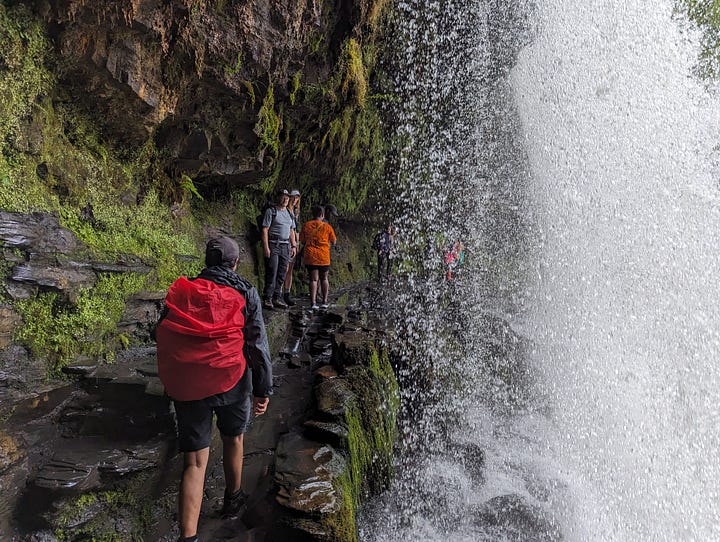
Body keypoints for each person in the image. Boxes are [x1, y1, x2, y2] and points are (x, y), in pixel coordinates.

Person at [156, 236, 273, 542]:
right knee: (234, 438)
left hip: (189, 382)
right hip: (230, 378)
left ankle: (188, 536)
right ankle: (232, 500)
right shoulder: (245, 291)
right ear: (235, 263)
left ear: (207, 262)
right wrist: (263, 389)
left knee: (194, 461)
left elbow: (164, 331)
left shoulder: (183, 289)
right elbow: (257, 345)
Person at [261, 188, 297, 309]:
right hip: (273, 244)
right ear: (278, 197)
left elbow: (292, 230)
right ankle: (268, 298)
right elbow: (265, 229)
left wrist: (294, 245)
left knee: (282, 272)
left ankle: (277, 297)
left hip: (285, 245)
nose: (286, 199)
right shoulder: (271, 211)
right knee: (272, 271)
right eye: (283, 196)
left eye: (287, 197)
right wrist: (266, 247)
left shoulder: (289, 213)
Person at [299, 205, 336, 310]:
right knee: (324, 278)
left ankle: (313, 303)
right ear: (323, 215)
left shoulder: (306, 225)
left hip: (311, 256)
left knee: (313, 280)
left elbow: (302, 240)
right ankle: (324, 302)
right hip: (324, 256)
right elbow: (334, 240)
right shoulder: (327, 227)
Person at [281, 189, 301, 306]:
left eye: (297, 198)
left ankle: (287, 293)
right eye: (293, 197)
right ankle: (280, 293)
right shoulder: (286, 211)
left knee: (290, 269)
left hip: (294, 243)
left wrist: (297, 244)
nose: (295, 200)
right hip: (286, 242)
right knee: (284, 268)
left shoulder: (296, 211)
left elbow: (296, 229)